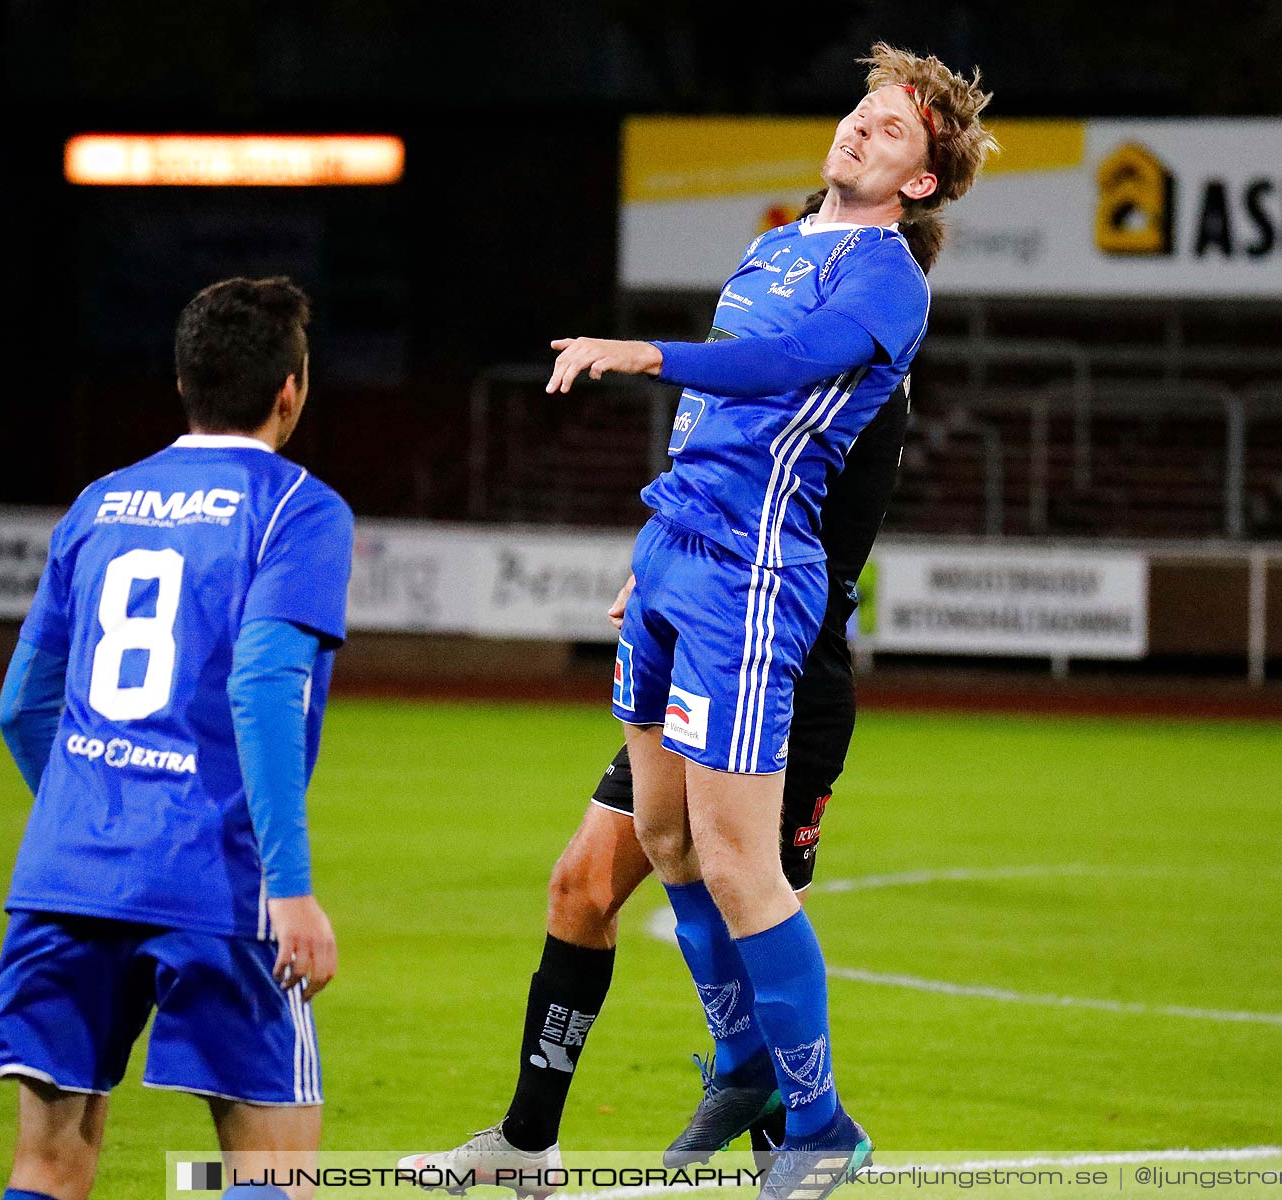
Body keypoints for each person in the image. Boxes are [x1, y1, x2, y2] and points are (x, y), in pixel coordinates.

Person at [527, 44, 995, 1200]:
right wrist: (653, 548)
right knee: (668, 841)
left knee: (740, 863)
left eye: (892, 133)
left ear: (921, 183)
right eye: (861, 112)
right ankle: (742, 1065)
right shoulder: (777, 244)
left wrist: (643, 350)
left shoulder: (890, 276)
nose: (861, 131)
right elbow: (710, 425)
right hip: (679, 561)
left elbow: (789, 365)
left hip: (751, 579)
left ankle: (818, 1127)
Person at [398, 187, 931, 1189]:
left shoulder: (859, 367)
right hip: (698, 619)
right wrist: (663, 559)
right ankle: (527, 1145)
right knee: (583, 885)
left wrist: (652, 365)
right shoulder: (779, 297)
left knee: (743, 895)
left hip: (780, 657)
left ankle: (802, 1143)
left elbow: (808, 527)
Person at [0, 277, 354, 1200]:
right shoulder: (300, 509)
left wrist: (100, 810)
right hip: (218, 882)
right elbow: (266, 687)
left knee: (49, 1164)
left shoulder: (100, 502)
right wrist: (292, 886)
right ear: (289, 391)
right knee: (273, 1168)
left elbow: (22, 706)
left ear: (183, 381)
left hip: (67, 872)